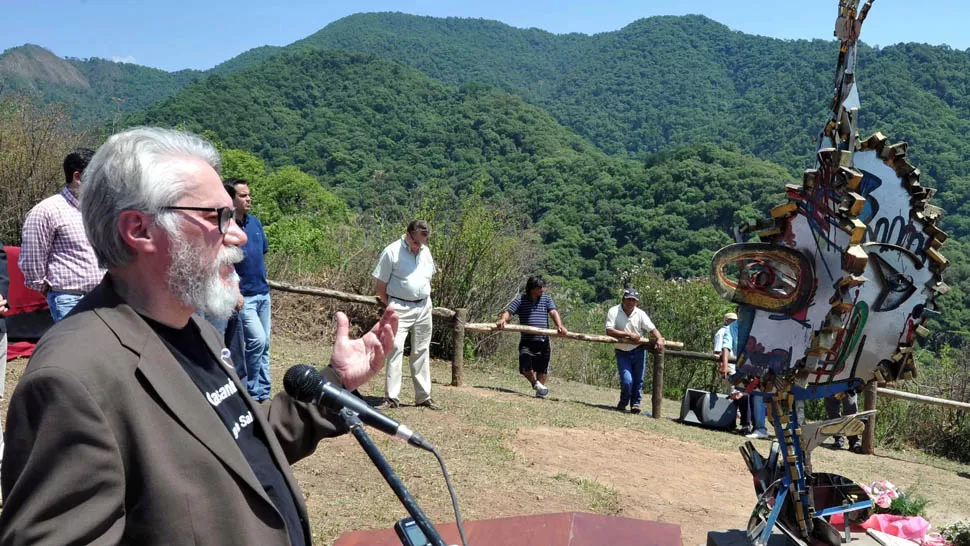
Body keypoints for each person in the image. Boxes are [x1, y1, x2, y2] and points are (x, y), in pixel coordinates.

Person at [0, 127, 399, 545]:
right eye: (216, 217)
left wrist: (334, 383)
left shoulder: (192, 327)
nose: (238, 234)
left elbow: (236, 440)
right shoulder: (72, 378)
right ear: (139, 229)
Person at [19, 148, 105, 321]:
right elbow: (32, 261)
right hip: (70, 300)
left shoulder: (98, 210)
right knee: (77, 340)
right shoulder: (46, 211)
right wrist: (53, 291)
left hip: (103, 296)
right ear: (77, 177)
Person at [372, 220, 441, 410]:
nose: (419, 246)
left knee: (422, 349)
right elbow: (380, 286)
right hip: (399, 305)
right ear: (408, 235)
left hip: (424, 305)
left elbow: (428, 277)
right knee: (395, 348)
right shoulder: (391, 252)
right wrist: (393, 304)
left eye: (423, 242)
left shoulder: (426, 252)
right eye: (416, 242)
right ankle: (392, 397)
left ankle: (423, 396)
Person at [226, 179, 273, 402]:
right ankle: (250, 390)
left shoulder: (255, 223)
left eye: (248, 195)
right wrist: (235, 292)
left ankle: (263, 392)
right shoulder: (227, 228)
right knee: (257, 341)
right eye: (243, 195)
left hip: (263, 292)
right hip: (244, 297)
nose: (248, 199)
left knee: (265, 346)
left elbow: (261, 254)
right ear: (231, 199)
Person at [496, 275, 567, 399]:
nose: (543, 289)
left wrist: (559, 326)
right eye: (540, 287)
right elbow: (509, 312)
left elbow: (553, 312)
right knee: (525, 367)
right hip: (527, 341)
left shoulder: (546, 299)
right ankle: (535, 384)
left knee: (542, 369)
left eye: (543, 287)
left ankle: (540, 393)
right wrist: (503, 320)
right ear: (532, 289)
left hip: (543, 341)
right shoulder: (521, 300)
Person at [605, 289, 665, 414]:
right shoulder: (614, 311)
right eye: (629, 299)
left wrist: (659, 338)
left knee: (638, 380)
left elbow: (652, 328)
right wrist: (629, 335)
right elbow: (609, 330)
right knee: (627, 380)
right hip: (622, 351)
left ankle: (635, 404)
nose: (631, 302)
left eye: (633, 300)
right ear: (623, 299)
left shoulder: (640, 313)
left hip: (638, 350)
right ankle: (623, 402)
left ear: (637, 302)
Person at [715, 311, 770, 439]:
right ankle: (747, 425)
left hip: (756, 364)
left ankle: (759, 427)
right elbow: (726, 346)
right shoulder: (731, 328)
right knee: (741, 394)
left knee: (757, 395)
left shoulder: (758, 325)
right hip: (739, 366)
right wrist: (724, 365)